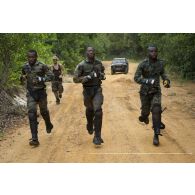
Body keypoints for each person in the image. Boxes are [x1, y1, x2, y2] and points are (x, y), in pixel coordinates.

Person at [134, 45, 170, 146]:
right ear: (148, 53)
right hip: (145, 93)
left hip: (156, 91)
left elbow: (164, 74)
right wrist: (147, 80)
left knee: (156, 109)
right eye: (151, 51)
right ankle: (144, 116)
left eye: (155, 51)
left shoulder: (160, 64)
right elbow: (136, 78)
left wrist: (166, 81)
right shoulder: (143, 64)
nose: (154, 53)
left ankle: (156, 134)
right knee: (145, 112)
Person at [20, 50, 54, 146]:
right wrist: (22, 78)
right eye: (29, 57)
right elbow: (22, 78)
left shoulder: (42, 65)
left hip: (41, 93)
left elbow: (51, 76)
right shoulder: (25, 66)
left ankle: (48, 124)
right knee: (31, 113)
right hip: (31, 93)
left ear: (36, 57)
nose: (31, 59)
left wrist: (41, 79)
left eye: (33, 57)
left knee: (44, 112)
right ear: (27, 57)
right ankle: (35, 138)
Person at [73, 47, 106, 145]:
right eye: (89, 51)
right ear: (86, 53)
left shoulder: (99, 63)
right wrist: (87, 77)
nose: (91, 52)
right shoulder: (81, 65)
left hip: (97, 89)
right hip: (87, 91)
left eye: (92, 51)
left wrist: (101, 75)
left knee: (98, 111)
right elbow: (75, 79)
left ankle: (97, 136)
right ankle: (90, 123)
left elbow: (103, 74)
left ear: (94, 52)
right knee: (90, 109)